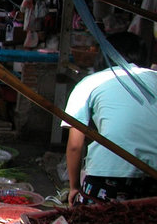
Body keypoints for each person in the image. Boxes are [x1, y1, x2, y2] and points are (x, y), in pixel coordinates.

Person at [63, 32, 157, 206]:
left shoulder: (90, 83)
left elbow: (75, 145)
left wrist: (75, 187)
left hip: (107, 172)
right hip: (152, 173)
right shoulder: (154, 77)